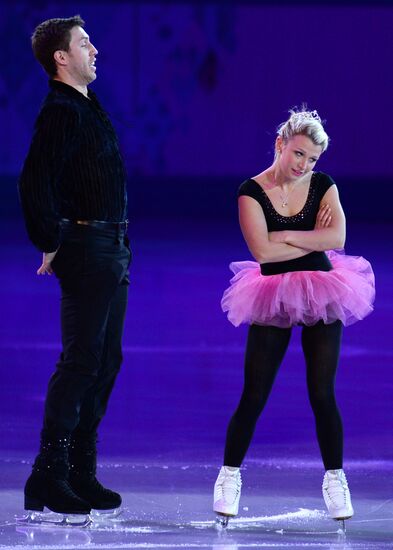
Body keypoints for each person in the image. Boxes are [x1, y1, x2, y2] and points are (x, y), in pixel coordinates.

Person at [213, 108, 375, 523]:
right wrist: (308, 241)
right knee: (255, 392)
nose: (304, 166)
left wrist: (284, 234)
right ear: (280, 144)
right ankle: (229, 476)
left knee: (322, 392)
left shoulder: (323, 185)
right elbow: (263, 254)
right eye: (299, 154)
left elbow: (336, 238)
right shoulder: (251, 191)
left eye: (313, 160)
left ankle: (336, 480)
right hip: (270, 293)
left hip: (322, 289)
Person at [18, 16, 131, 518]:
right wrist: (50, 239)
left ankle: (81, 471)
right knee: (81, 360)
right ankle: (48, 476)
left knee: (105, 360)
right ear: (61, 58)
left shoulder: (86, 103)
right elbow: (34, 180)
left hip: (112, 245)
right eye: (85, 43)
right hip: (87, 247)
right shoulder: (61, 109)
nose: (95, 49)